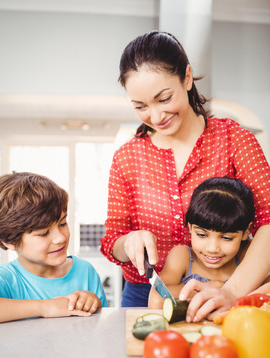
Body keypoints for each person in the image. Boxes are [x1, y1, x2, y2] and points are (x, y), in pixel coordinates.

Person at [100, 30, 270, 318]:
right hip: (147, 294)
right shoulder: (126, 157)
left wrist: (232, 291)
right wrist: (127, 242)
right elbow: (112, 238)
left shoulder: (234, 141)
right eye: (140, 106)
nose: (155, 117)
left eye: (164, 98)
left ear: (187, 78)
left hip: (230, 287)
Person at [0, 172, 107, 326]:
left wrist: (93, 304)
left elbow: (97, 330)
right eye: (43, 233)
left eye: (62, 223)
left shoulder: (85, 271)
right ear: (9, 240)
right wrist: (44, 307)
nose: (60, 238)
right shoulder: (7, 280)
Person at [148, 177, 270, 317]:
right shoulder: (183, 256)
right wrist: (215, 286)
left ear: (246, 232)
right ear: (190, 227)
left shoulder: (249, 255)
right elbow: (156, 300)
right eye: (201, 235)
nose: (212, 248)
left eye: (226, 238)